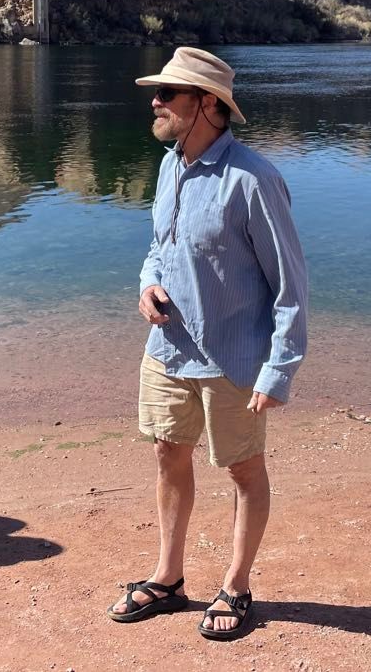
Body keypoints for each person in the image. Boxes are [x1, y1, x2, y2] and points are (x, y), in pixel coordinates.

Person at [108, 47, 308, 640]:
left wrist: (279, 371)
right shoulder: (170, 166)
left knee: (243, 470)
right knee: (168, 455)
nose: (156, 101)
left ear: (208, 105)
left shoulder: (253, 180)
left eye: (169, 93)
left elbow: (291, 286)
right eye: (159, 91)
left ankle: (236, 587)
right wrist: (147, 285)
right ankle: (169, 580)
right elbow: (160, 248)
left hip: (233, 360)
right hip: (167, 351)